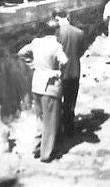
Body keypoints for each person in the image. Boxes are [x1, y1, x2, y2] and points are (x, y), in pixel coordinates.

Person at [17, 21, 68, 163]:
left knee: (40, 119)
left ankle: (37, 147)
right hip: (50, 87)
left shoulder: (36, 42)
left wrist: (33, 65)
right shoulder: (56, 45)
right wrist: (58, 72)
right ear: (56, 31)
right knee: (50, 121)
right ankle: (46, 154)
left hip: (36, 85)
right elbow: (64, 61)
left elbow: (21, 53)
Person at [52, 10, 84, 135]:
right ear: (67, 17)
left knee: (58, 100)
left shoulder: (57, 33)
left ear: (57, 18)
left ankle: (59, 127)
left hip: (60, 71)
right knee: (71, 100)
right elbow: (81, 52)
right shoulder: (79, 32)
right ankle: (69, 127)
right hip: (75, 69)